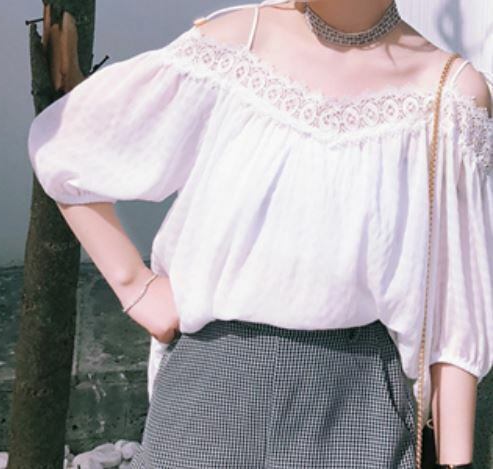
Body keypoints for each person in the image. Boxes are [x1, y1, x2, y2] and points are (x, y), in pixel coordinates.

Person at [27, 0, 492, 467]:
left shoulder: (450, 94)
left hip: (357, 401)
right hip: (209, 390)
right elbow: (68, 145)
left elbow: (456, 317)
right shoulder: (236, 42)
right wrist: (135, 284)